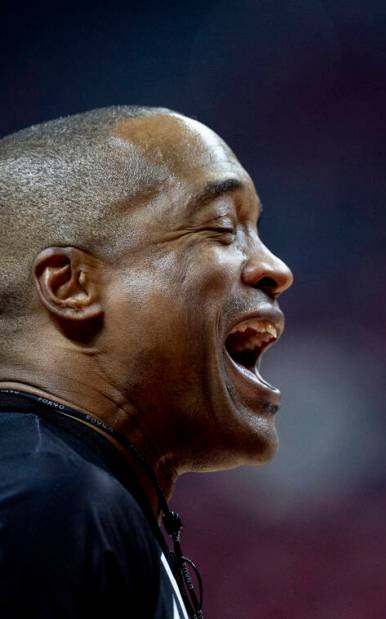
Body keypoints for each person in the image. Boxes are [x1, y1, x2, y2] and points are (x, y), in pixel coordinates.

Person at [0, 107, 293, 618]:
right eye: (223, 229)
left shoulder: (62, 490)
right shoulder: (46, 502)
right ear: (71, 286)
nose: (275, 269)